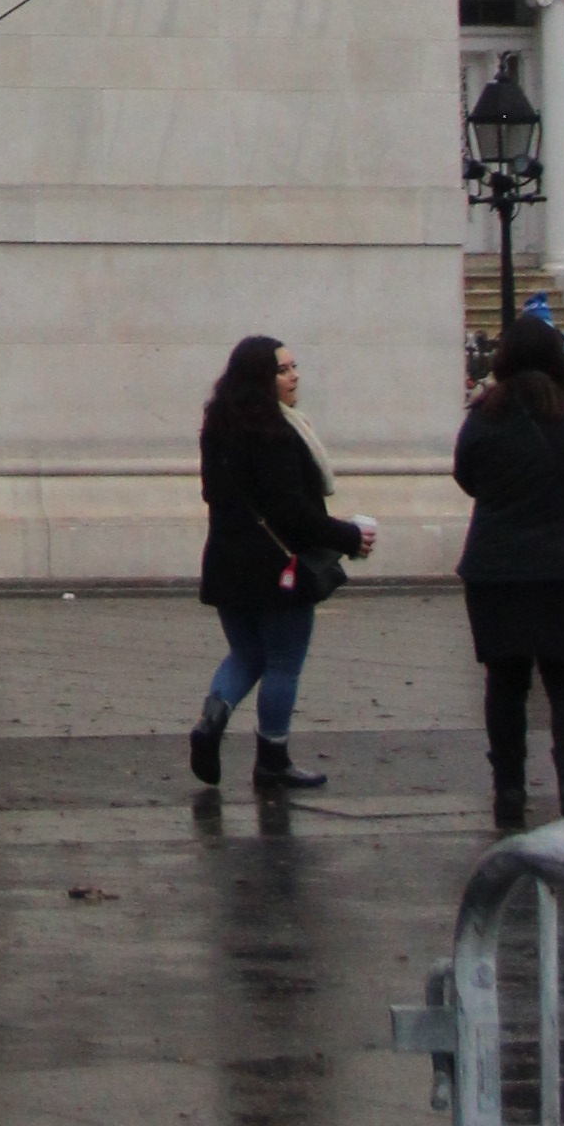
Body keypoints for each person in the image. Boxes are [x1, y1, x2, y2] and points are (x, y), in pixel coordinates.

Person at [456, 314, 564, 830]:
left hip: (496, 568)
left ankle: (509, 790)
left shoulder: (482, 418)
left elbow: (466, 476)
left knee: (505, 682)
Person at [191, 335, 373, 794]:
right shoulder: (277, 434)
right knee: (283, 663)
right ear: (260, 378)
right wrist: (351, 536)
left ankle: (212, 719)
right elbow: (295, 515)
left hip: (226, 563)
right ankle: (273, 760)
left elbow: (214, 494)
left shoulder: (218, 426)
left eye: (294, 367)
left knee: (245, 654)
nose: (294, 377)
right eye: (282, 370)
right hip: (277, 568)